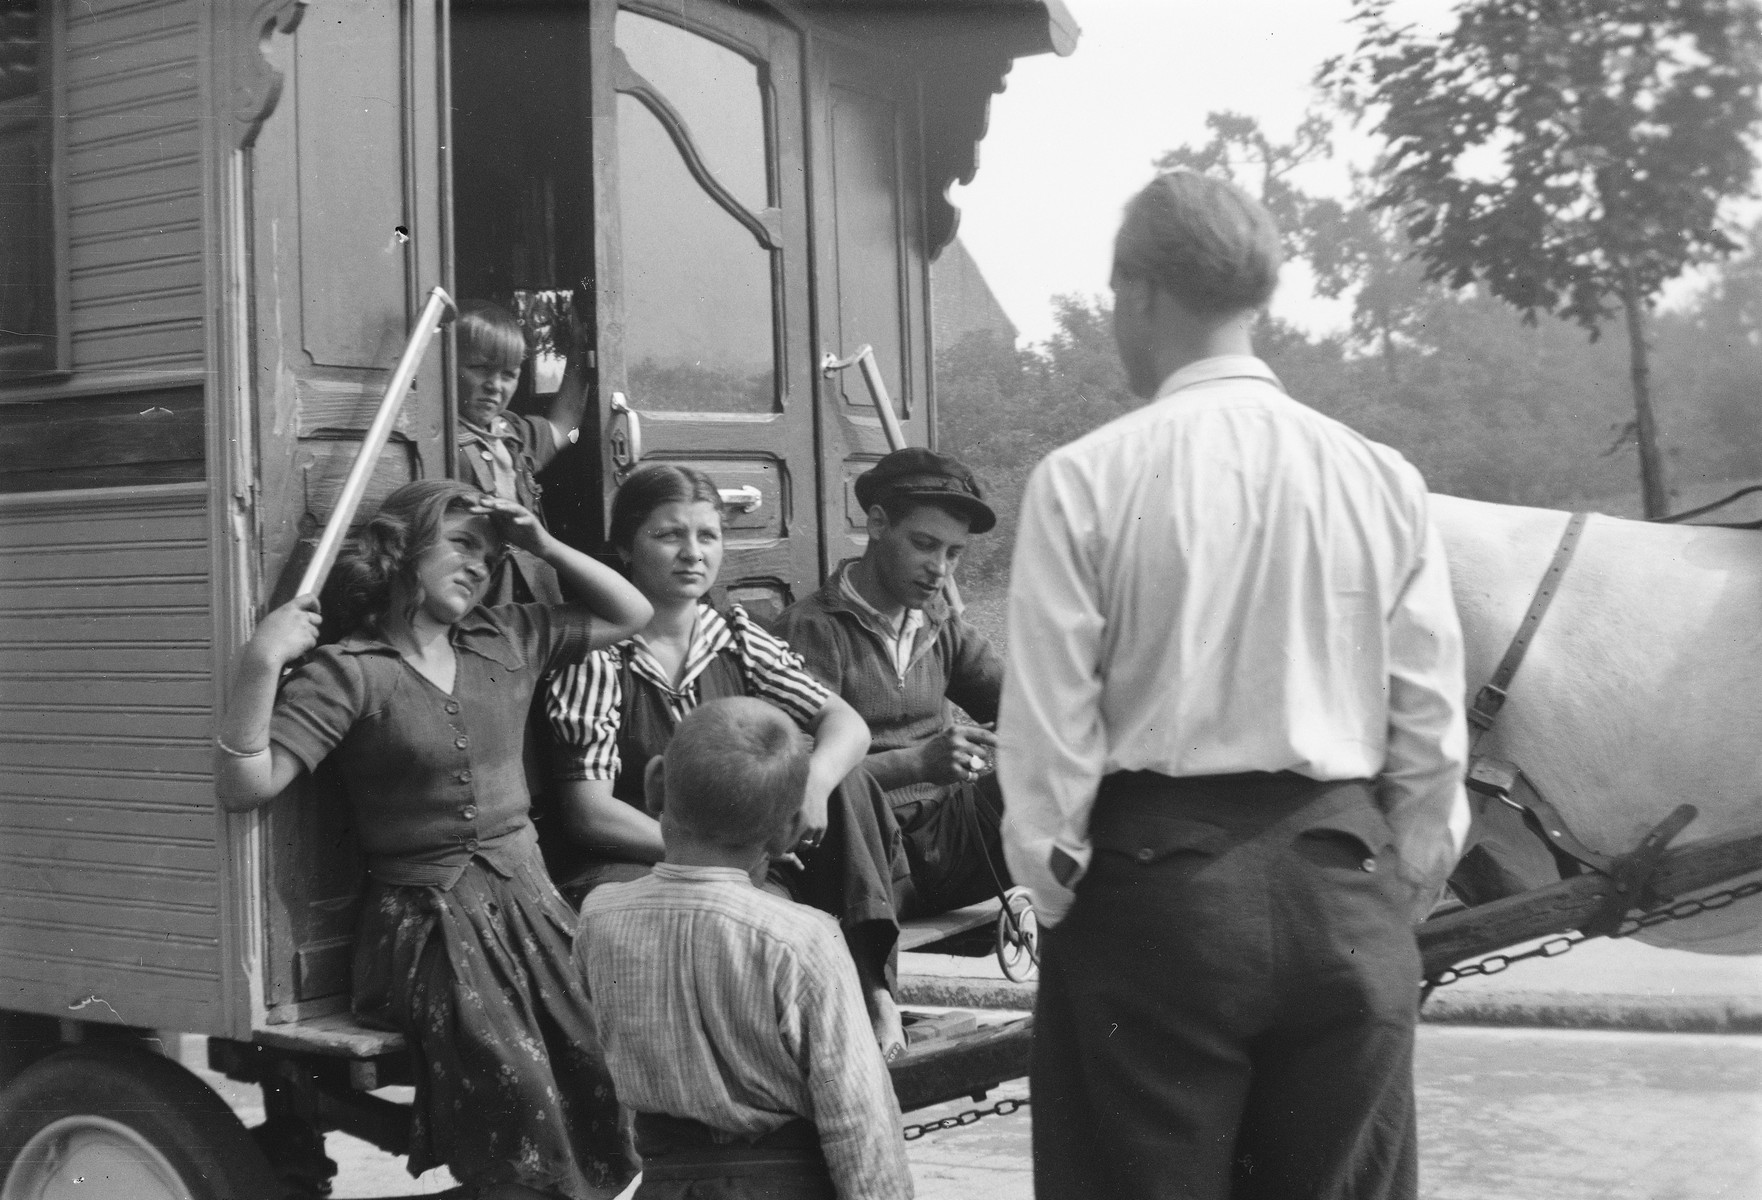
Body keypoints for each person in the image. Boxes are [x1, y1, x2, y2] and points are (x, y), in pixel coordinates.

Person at [997, 170, 1472, 1200]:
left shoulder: (1085, 477)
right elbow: (1430, 716)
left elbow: (1046, 735)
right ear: (1252, 300)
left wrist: (1052, 884)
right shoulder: (1378, 474)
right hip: (1345, 893)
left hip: (1155, 905)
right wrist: (1409, 869)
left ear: (1136, 292)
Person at [214, 479, 653, 1200]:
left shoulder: (507, 636)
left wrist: (541, 544)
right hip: (428, 928)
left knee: (605, 1068)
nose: (481, 565)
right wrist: (264, 661)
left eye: (489, 554)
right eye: (461, 545)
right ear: (402, 554)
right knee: (523, 1092)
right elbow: (245, 785)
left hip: (530, 911)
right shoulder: (350, 672)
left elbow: (632, 611)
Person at [542, 463, 910, 1053]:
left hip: (744, 854)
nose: (692, 553)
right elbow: (589, 812)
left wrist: (812, 786)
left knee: (846, 781)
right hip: (639, 859)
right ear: (623, 547)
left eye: (707, 536)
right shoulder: (599, 654)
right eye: (668, 535)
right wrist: (717, 856)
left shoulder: (736, 638)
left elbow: (847, 724)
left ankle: (873, 992)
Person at [575, 697, 913, 1200]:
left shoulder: (600, 917)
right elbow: (860, 1120)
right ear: (788, 831)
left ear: (653, 786)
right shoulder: (803, 940)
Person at [771, 447, 1010, 919]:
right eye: (924, 544)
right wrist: (917, 762)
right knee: (821, 783)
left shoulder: (939, 622)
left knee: (1076, 779)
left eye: (954, 553)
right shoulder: (814, 630)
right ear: (878, 525)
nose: (939, 569)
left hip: (948, 842)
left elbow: (1024, 707)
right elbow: (795, 785)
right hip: (863, 853)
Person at [453, 298, 588, 604]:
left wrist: (579, 349)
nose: (495, 386)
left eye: (509, 375)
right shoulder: (440, 437)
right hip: (480, 607)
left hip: (535, 605)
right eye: (479, 368)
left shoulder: (514, 432)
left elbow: (566, 424)